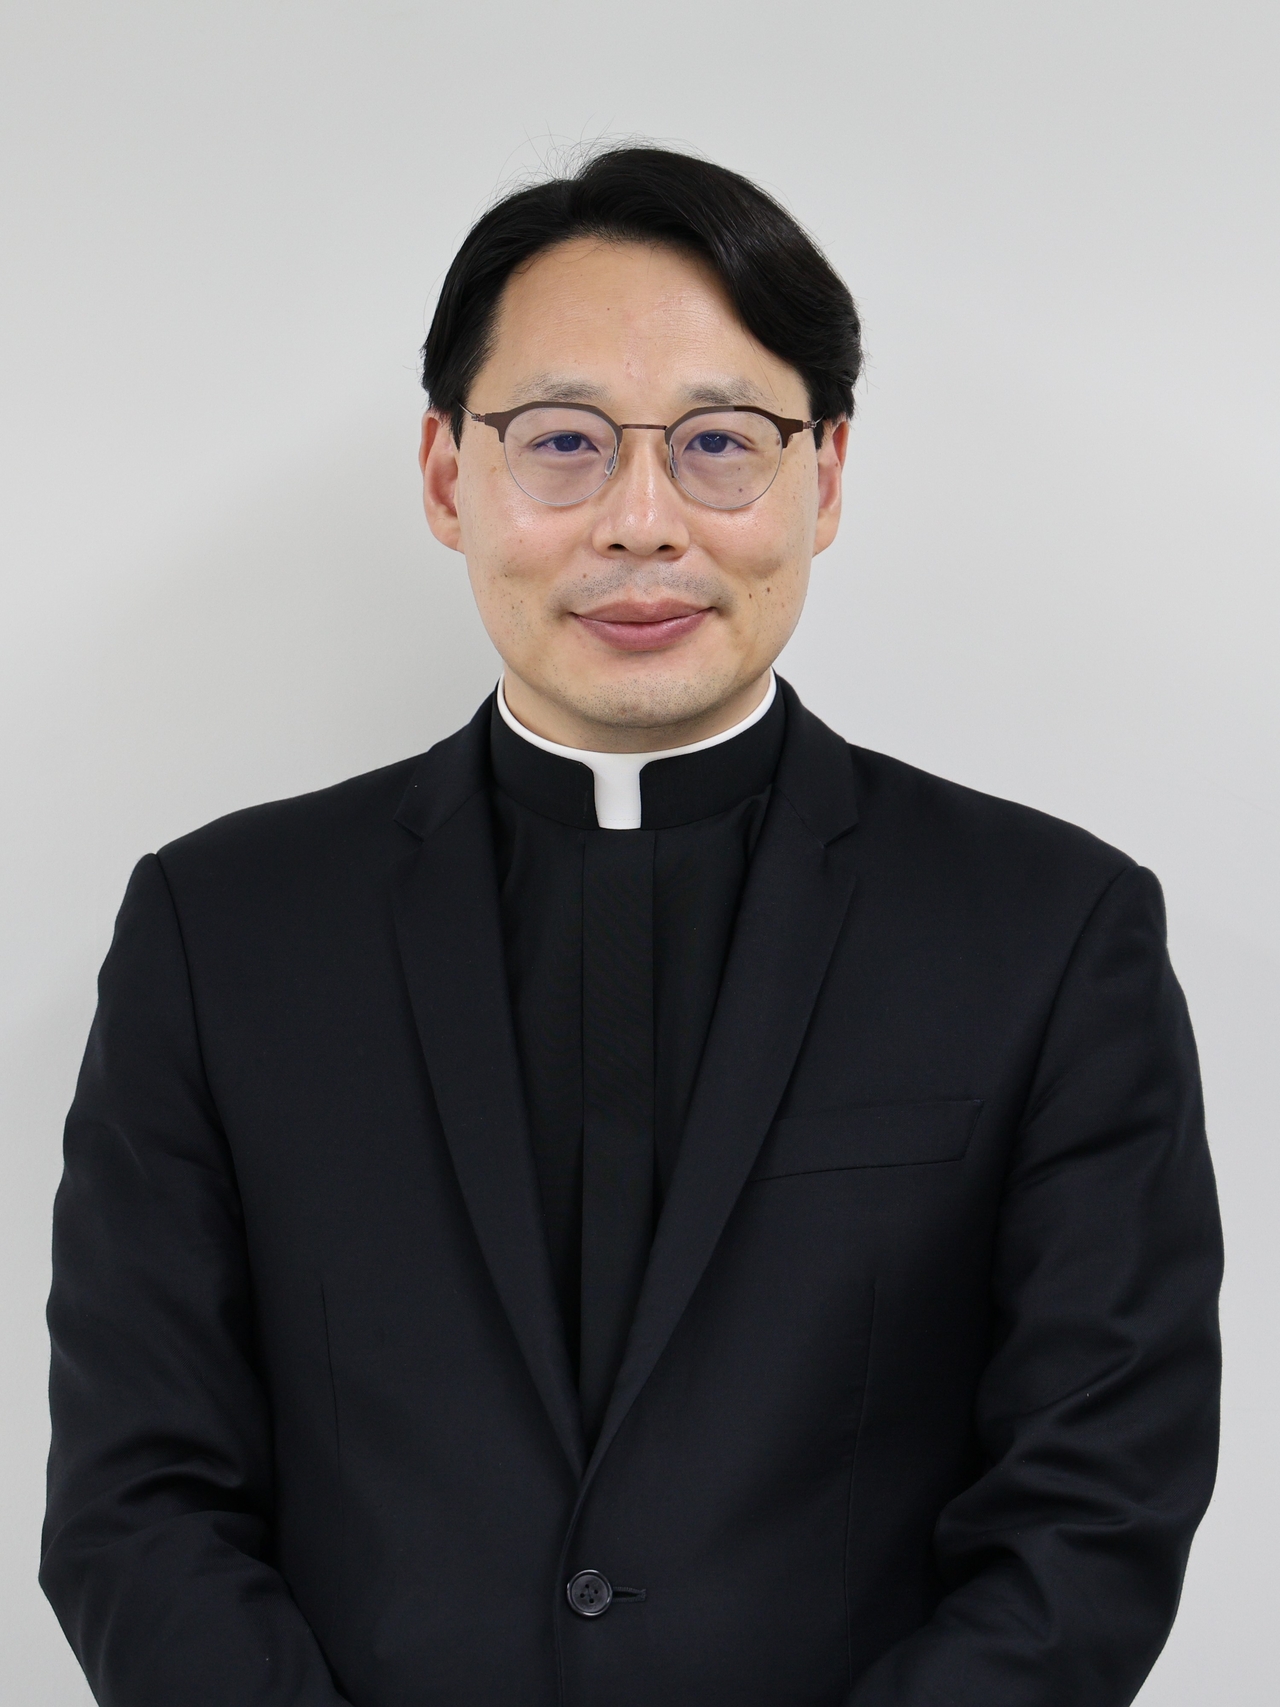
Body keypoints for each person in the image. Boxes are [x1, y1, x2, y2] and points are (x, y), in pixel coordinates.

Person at [41, 146, 1222, 1707]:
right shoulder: (222, 932)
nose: (642, 521)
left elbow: (1094, 1510)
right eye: (564, 443)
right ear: (448, 475)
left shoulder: (1050, 933)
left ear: (828, 476)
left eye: (722, 443)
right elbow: (138, 1502)